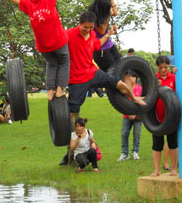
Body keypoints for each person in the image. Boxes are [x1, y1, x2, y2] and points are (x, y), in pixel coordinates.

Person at [58, 12, 145, 165]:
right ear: (80, 23)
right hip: (77, 79)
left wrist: (110, 33)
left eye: (90, 28)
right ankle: (70, 152)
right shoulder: (68, 34)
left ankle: (135, 98)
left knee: (118, 84)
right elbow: (55, 43)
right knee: (73, 113)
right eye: (85, 27)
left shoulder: (92, 35)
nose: (87, 30)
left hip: (93, 73)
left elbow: (98, 44)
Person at [0, 0, 69, 101]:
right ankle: (60, 90)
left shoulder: (27, 4)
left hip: (44, 46)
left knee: (52, 64)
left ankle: (50, 91)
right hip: (58, 41)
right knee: (63, 62)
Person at [151, 55, 178, 177]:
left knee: (172, 143)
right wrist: (156, 86)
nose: (163, 70)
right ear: (157, 66)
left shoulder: (174, 77)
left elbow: (180, 95)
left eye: (165, 67)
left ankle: (173, 169)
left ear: (168, 66)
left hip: (171, 117)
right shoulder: (153, 79)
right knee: (157, 144)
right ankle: (157, 170)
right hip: (156, 117)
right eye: (161, 67)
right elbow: (147, 96)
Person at [88, 0, 120, 72]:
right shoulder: (93, 17)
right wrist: (109, 15)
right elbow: (102, 31)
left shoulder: (104, 14)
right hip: (101, 51)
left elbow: (115, 13)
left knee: (122, 67)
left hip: (110, 45)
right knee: (113, 73)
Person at [117, 70, 142, 161]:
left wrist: (136, 115)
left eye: (134, 77)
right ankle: (124, 153)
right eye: (131, 77)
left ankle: (135, 152)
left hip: (138, 116)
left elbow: (143, 101)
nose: (132, 79)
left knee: (137, 134)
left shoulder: (140, 88)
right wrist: (128, 114)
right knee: (124, 134)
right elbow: (123, 102)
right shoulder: (125, 89)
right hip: (126, 115)